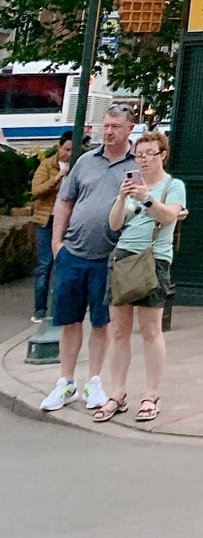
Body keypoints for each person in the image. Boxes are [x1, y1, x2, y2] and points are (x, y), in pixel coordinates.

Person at [40, 104, 138, 412]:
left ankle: (93, 381)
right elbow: (65, 203)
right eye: (105, 126)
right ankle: (65, 381)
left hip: (108, 258)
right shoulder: (85, 161)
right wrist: (57, 244)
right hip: (73, 252)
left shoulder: (136, 166)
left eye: (115, 127)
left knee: (101, 321)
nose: (108, 132)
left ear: (129, 130)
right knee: (69, 320)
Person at [94, 128, 187, 423]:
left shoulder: (173, 185)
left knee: (150, 329)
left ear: (163, 155)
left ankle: (151, 394)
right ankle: (117, 394)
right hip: (123, 258)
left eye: (150, 154)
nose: (144, 160)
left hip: (153, 259)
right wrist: (122, 198)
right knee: (119, 330)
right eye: (139, 155)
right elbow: (114, 224)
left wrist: (147, 198)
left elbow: (169, 216)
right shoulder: (130, 185)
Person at [28, 136, 71, 323]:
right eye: (66, 150)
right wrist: (57, 178)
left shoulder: (76, 167)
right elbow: (36, 190)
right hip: (46, 222)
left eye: (71, 150)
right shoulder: (47, 165)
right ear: (59, 148)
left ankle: (57, 307)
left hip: (66, 223)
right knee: (44, 265)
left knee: (62, 265)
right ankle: (40, 308)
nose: (68, 154)